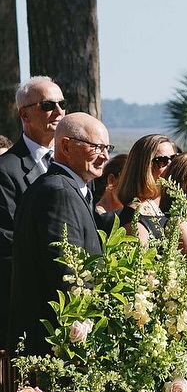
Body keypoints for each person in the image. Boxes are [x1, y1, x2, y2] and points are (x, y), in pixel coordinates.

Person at [8, 112, 110, 358]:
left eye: (108, 148)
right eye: (97, 147)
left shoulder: (68, 188)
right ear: (65, 145)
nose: (105, 156)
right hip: (56, 347)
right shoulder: (58, 192)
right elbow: (67, 274)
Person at [0, 77, 65, 349]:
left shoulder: (71, 166)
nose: (59, 112)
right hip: (30, 308)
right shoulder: (6, 170)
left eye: (62, 104)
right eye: (48, 105)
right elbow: (8, 243)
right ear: (24, 113)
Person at [115, 132, 181, 241]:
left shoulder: (170, 206)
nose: (170, 165)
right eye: (162, 161)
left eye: (173, 159)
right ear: (144, 167)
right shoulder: (134, 217)